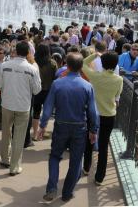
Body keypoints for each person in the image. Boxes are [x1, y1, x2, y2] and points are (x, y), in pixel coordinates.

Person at [39, 53, 99, 203]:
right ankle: (67, 192)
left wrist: (42, 125)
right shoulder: (87, 86)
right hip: (79, 127)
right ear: (81, 67)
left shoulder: (57, 83)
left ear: (67, 64)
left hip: (60, 125)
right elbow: (93, 112)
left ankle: (52, 188)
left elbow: (47, 107)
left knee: (54, 156)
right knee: (76, 161)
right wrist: (94, 130)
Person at [0, 41, 41, 176]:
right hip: (23, 106)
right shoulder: (32, 69)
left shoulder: (4, 66)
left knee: (6, 132)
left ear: (15, 51)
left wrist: (6, 88)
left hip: (7, 104)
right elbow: (37, 90)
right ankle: (14, 167)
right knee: (18, 137)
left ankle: (4, 158)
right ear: (27, 53)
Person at [81, 52, 123, 185]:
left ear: (102, 64)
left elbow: (83, 64)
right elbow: (117, 96)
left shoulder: (95, 76)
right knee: (104, 146)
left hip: (94, 114)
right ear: (116, 64)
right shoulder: (119, 80)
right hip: (109, 115)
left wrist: (95, 55)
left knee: (89, 141)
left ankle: (87, 168)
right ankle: (99, 177)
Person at [32, 44, 57, 141]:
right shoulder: (52, 63)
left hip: (36, 91)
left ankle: (34, 134)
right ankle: (42, 133)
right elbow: (56, 78)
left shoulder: (33, 62)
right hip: (49, 91)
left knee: (36, 113)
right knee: (46, 113)